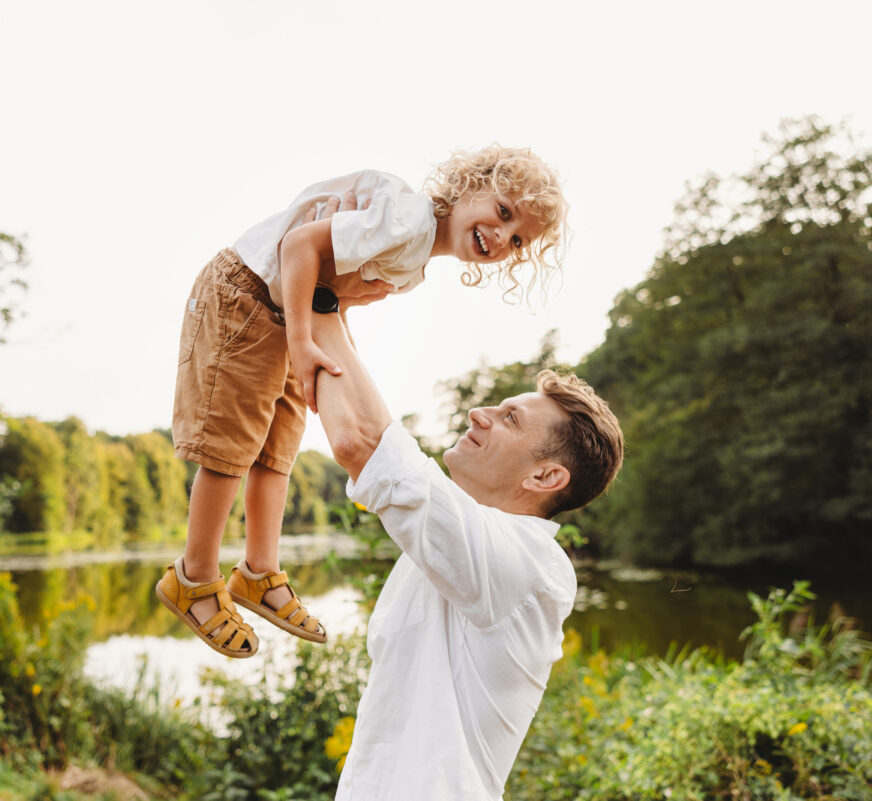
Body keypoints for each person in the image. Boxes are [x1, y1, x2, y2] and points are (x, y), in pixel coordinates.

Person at [157, 147, 569, 659]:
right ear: (468, 187)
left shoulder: (414, 261)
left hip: (286, 314)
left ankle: (258, 572)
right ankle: (193, 577)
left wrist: (322, 348)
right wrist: (305, 344)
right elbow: (299, 245)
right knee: (231, 447)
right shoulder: (408, 219)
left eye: (517, 240)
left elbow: (331, 289)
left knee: (276, 451)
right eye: (504, 213)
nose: (502, 237)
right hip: (247, 294)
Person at [310, 308, 624, 799]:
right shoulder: (456, 546)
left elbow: (361, 443)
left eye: (509, 419)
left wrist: (315, 303)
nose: (481, 413)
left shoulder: (532, 565)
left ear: (544, 478)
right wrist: (331, 311)